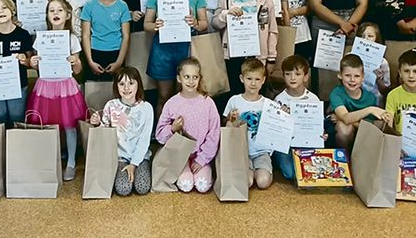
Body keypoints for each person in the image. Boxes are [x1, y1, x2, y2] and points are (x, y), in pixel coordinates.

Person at [28, 0, 88, 180]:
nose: (55, 13)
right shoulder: (41, 38)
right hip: (46, 86)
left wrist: (75, 61)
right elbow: (37, 66)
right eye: (51, 10)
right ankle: (51, 158)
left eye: (59, 10)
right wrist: (33, 62)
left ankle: (71, 161)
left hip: (65, 87)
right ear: (47, 15)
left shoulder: (71, 39)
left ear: (68, 14)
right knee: (47, 123)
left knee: (69, 125)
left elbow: (77, 70)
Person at [145, 0, 209, 115]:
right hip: (163, 50)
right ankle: (162, 134)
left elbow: (204, 24)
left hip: (187, 48)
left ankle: (186, 133)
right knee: (164, 95)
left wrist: (194, 23)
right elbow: (147, 24)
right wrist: (156, 25)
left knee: (186, 94)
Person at [214, 0, 277, 97]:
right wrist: (226, 14)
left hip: (257, 54)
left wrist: (271, 57)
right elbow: (215, 23)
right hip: (232, 56)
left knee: (256, 95)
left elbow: (272, 29)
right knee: (235, 95)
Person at [155, 58, 221, 194]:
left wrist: (202, 160)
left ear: (199, 78)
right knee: (186, 185)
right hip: (179, 157)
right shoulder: (172, 103)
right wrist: (172, 128)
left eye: (195, 77)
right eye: (187, 77)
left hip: (202, 156)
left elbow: (214, 134)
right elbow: (160, 136)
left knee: (202, 186)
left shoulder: (208, 103)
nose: (191, 81)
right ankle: (185, 171)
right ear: (179, 78)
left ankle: (205, 169)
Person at [89, 66, 154, 196]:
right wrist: (96, 123)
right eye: (122, 84)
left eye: (131, 83)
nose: (126, 88)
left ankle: (137, 169)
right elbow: (105, 132)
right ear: (116, 86)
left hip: (140, 158)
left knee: (142, 187)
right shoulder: (111, 105)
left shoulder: (147, 108)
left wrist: (134, 164)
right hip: (119, 158)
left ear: (138, 84)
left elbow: (144, 139)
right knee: (123, 189)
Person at [223, 59, 278, 190]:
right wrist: (231, 120)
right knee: (246, 182)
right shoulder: (234, 100)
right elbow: (226, 126)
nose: (253, 83)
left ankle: (260, 170)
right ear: (242, 78)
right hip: (241, 150)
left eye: (257, 79)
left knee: (262, 182)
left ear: (263, 80)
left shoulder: (269, 104)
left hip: (262, 151)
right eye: (249, 78)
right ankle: (249, 171)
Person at [272, 55, 323, 180]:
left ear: (305, 77)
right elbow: (274, 130)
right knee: (290, 174)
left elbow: (318, 126)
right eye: (288, 74)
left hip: (305, 142)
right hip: (286, 145)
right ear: (283, 76)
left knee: (309, 170)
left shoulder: (313, 99)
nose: (292, 78)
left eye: (297, 74)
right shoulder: (279, 100)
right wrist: (282, 117)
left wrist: (322, 134)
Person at [81, 0, 131, 83]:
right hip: (94, 52)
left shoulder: (122, 6)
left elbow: (126, 36)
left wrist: (119, 62)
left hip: (116, 52)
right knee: (93, 91)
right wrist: (90, 61)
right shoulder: (89, 6)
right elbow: (85, 35)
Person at [328, 54, 389, 150]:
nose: (352, 80)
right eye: (347, 75)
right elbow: (346, 118)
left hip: (364, 139)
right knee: (344, 127)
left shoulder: (370, 97)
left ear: (363, 77)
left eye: (357, 76)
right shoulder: (336, 94)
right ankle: (344, 159)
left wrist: (343, 119)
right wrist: (370, 110)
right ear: (340, 75)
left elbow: (368, 128)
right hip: (342, 140)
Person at [356, 23, 390, 104]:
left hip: (375, 100)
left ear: (376, 39)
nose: (366, 39)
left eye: (370, 36)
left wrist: (378, 79)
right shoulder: (350, 57)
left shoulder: (383, 62)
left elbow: (386, 91)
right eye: (362, 36)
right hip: (353, 98)